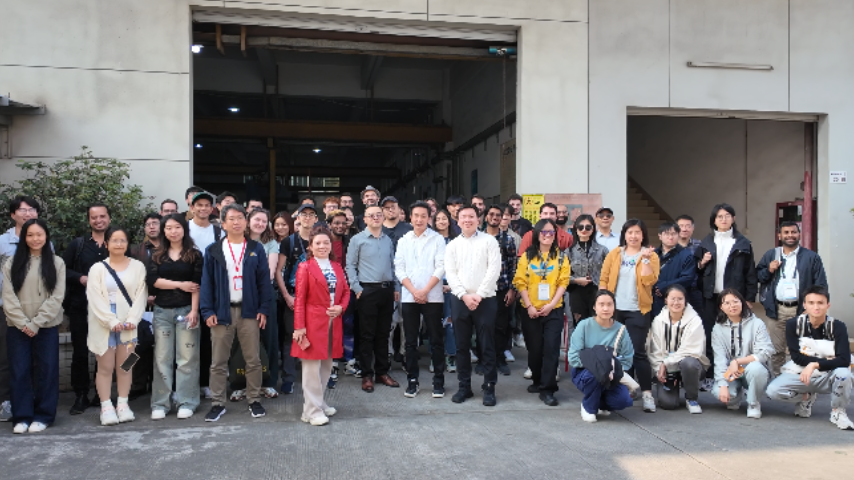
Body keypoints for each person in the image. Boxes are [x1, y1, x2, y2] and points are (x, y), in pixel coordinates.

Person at [201, 203, 273, 422]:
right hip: (222, 312)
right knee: (218, 361)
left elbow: (264, 281)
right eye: (231, 218)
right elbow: (207, 283)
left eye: (240, 218)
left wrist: (264, 309)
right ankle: (217, 403)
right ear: (223, 224)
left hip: (249, 311)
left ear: (246, 222)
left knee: (253, 359)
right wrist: (207, 311)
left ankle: (254, 400)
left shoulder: (255, 248)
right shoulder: (213, 250)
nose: (236, 222)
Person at [2, 219, 65, 433]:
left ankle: (44, 416)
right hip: (17, 327)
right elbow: (8, 297)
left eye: (39, 234)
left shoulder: (56, 263)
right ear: (24, 238)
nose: (35, 239)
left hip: (46, 326)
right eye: (30, 235)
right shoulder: (12, 263)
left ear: (46, 236)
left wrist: (36, 323)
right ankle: (22, 417)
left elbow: (57, 297)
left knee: (47, 370)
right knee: (20, 371)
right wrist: (23, 323)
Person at [766, 286, 853, 430]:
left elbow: (844, 360)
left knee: (844, 374)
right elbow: (796, 357)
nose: (816, 307)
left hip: (828, 375)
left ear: (828, 305)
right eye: (811, 303)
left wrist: (814, 365)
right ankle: (806, 397)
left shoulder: (837, 326)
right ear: (804, 305)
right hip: (801, 374)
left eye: (820, 303)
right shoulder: (793, 324)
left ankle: (838, 412)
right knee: (773, 391)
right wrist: (827, 361)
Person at [86, 227, 148, 426]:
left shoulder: (138, 267)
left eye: (123, 240)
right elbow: (94, 298)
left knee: (127, 365)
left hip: (129, 324)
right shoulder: (97, 269)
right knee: (105, 367)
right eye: (114, 240)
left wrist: (133, 319)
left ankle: (123, 404)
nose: (119, 244)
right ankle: (106, 406)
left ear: (128, 243)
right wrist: (111, 321)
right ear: (106, 244)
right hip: (103, 324)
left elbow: (141, 295)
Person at [599, 218, 660, 412]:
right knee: (615, 352)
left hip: (637, 309)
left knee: (637, 352)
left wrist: (646, 260)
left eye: (637, 232)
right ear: (624, 234)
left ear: (643, 235)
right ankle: (624, 390)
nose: (633, 236)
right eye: (630, 232)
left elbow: (649, 281)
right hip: (615, 310)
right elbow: (604, 278)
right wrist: (603, 303)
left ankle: (647, 394)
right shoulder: (615, 254)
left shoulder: (651, 255)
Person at [146, 214, 203, 420]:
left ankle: (187, 402)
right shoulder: (156, 255)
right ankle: (161, 403)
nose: (173, 231)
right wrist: (180, 285)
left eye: (177, 227)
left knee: (187, 358)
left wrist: (194, 311)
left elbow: (196, 285)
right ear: (164, 230)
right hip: (162, 311)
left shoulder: (194, 255)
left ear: (184, 229)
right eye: (169, 228)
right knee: (162, 358)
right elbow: (153, 281)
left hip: (187, 309)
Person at [291, 228, 350, 426]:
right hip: (312, 322)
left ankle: (318, 402)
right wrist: (299, 327)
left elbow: (346, 291)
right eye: (317, 243)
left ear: (331, 245)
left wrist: (341, 307)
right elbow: (299, 300)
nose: (322, 246)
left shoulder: (337, 266)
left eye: (326, 242)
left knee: (326, 366)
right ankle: (311, 411)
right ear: (310, 246)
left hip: (333, 321)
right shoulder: (305, 267)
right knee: (311, 369)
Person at [445, 205, 501, 406]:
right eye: (463, 217)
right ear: (457, 221)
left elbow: (494, 269)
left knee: (487, 344)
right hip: (460, 300)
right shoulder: (452, 245)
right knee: (462, 345)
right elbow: (450, 273)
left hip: (485, 299)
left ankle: (489, 387)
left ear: (479, 219)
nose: (467, 220)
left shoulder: (489, 241)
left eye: (471, 216)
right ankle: (464, 387)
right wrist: (464, 295)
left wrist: (479, 294)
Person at [696, 203, 757, 389]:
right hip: (710, 297)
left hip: (733, 298)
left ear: (733, 219)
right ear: (714, 220)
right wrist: (701, 263)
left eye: (727, 216)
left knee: (735, 336)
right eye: (719, 216)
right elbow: (696, 272)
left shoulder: (743, 243)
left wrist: (749, 298)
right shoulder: (706, 243)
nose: (723, 219)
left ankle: (737, 376)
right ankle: (711, 376)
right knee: (710, 335)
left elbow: (750, 273)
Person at [756, 221, 828, 376]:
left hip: (802, 310)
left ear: (799, 234)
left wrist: (812, 308)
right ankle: (778, 379)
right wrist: (769, 270)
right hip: (777, 309)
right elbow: (758, 276)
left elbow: (820, 285)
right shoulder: (771, 255)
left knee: (805, 349)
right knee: (776, 350)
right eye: (786, 232)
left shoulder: (811, 257)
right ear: (779, 235)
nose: (790, 235)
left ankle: (801, 380)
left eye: (793, 232)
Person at [513, 219, 570, 406]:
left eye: (551, 232)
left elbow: (563, 282)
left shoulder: (561, 257)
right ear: (537, 234)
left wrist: (552, 304)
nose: (547, 235)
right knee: (535, 349)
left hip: (553, 310)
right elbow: (520, 281)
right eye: (544, 232)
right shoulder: (527, 257)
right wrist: (529, 306)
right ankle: (537, 380)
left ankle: (548, 389)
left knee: (551, 349)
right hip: (530, 310)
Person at [62, 202, 111, 414]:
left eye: (102, 216)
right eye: (94, 217)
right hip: (81, 307)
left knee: (105, 352)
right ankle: (81, 395)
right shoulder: (78, 245)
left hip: (109, 309)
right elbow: (62, 270)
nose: (99, 220)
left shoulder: (117, 242)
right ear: (89, 220)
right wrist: (80, 278)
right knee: (80, 352)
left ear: (109, 218)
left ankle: (102, 394)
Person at [346, 204, 400, 392]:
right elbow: (350, 265)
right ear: (365, 219)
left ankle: (382, 372)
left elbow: (393, 265)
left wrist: (396, 286)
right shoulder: (357, 240)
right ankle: (367, 374)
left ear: (383, 217)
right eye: (371, 215)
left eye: (379, 215)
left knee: (383, 334)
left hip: (387, 291)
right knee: (367, 335)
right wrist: (357, 288)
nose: (376, 218)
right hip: (367, 291)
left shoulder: (388, 240)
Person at [394, 201, 446, 398]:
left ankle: (438, 381)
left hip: (433, 296)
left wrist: (424, 290)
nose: (419, 219)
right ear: (410, 217)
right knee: (410, 341)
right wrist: (414, 291)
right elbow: (399, 268)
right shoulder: (404, 240)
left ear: (429, 218)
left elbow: (441, 267)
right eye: (416, 215)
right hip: (409, 296)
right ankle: (412, 381)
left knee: (436, 339)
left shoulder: (437, 239)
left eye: (423, 216)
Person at [0, 195, 43, 422]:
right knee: (7, 358)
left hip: (37, 311)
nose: (28, 214)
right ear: (12, 214)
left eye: (32, 210)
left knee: (36, 358)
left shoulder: (44, 241)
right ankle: (6, 402)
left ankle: (31, 400)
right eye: (22, 210)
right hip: (7, 309)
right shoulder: (2, 242)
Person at [568, 290, 635, 422]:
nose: (605, 308)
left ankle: (600, 403)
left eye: (609, 304)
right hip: (585, 373)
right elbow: (573, 357)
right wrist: (599, 366)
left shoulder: (621, 329)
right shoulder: (584, 325)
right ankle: (588, 407)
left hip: (611, 375)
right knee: (595, 375)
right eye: (601, 304)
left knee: (624, 400)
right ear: (594, 306)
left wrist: (613, 369)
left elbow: (627, 358)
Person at [276, 203, 318, 395]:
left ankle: (315, 377)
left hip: (316, 298)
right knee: (291, 337)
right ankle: (288, 378)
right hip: (294, 296)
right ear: (298, 218)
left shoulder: (320, 239)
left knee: (315, 336)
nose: (307, 217)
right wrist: (286, 295)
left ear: (316, 219)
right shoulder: (289, 241)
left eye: (311, 214)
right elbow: (278, 271)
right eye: (304, 214)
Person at [711, 288, 773, 419]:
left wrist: (738, 361)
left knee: (756, 369)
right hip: (731, 373)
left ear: (742, 302)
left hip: (751, 370)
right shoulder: (718, 328)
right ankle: (735, 396)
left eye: (735, 301)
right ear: (721, 307)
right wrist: (723, 384)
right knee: (719, 392)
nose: (732, 306)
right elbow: (719, 358)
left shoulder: (757, 323)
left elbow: (765, 352)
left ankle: (753, 403)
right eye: (727, 303)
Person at [647, 285, 709, 413]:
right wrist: (660, 369)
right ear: (666, 300)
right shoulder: (658, 321)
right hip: (667, 369)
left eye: (680, 299)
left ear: (685, 300)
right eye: (673, 299)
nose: (676, 302)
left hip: (690, 366)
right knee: (668, 404)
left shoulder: (694, 320)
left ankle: (691, 398)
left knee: (689, 363)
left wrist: (666, 363)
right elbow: (654, 350)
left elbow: (690, 350)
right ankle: (671, 386)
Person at [188, 191, 222, 399]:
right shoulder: (183, 229)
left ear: (212, 209)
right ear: (191, 207)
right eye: (199, 205)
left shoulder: (219, 232)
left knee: (209, 340)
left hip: (212, 291)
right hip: (187, 289)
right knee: (187, 341)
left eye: (207, 205)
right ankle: (185, 386)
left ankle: (205, 383)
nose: (203, 208)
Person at [243, 209, 280, 399]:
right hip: (241, 296)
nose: (260, 224)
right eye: (257, 219)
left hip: (264, 294)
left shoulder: (271, 243)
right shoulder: (238, 240)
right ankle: (240, 382)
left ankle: (269, 382)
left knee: (269, 338)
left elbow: (270, 272)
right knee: (241, 340)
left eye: (264, 221)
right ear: (248, 220)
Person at [128, 212, 162, 400]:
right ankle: (136, 384)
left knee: (161, 347)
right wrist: (144, 297)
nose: (151, 227)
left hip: (164, 304)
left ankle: (159, 384)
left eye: (155, 223)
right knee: (137, 346)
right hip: (139, 306)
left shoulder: (170, 248)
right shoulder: (135, 251)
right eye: (148, 224)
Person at [483, 205, 517, 375]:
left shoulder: (508, 240)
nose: (495, 217)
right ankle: (484, 360)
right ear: (485, 217)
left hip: (502, 289)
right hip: (482, 290)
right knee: (483, 326)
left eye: (498, 215)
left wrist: (512, 289)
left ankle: (500, 358)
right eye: (491, 214)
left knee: (501, 326)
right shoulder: (478, 238)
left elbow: (513, 266)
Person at [326, 210, 356, 382]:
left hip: (347, 290)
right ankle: (332, 363)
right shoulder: (324, 242)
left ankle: (349, 361)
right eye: (336, 223)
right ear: (329, 224)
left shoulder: (350, 242)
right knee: (330, 328)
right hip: (327, 291)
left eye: (343, 223)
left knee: (348, 325)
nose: (340, 226)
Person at [568, 214, 609, 325]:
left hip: (598, 292)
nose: (584, 230)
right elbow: (561, 276)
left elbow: (610, 273)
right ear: (575, 229)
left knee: (599, 325)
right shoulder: (569, 252)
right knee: (580, 326)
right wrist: (576, 280)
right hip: (576, 293)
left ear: (593, 229)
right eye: (580, 227)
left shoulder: (602, 250)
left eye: (588, 227)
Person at [433, 209, 458, 373]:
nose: (441, 221)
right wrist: (436, 284)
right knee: (434, 324)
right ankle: (435, 358)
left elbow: (461, 265)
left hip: (453, 286)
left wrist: (453, 285)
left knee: (450, 323)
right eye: (438, 219)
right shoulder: (431, 241)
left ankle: (450, 356)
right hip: (433, 285)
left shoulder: (457, 241)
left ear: (449, 221)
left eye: (444, 218)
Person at [652, 222, 696, 318]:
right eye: (667, 234)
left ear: (678, 235)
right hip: (654, 300)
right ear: (660, 236)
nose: (670, 237)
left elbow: (688, 278)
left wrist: (664, 287)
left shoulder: (686, 255)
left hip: (676, 301)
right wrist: (655, 287)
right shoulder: (653, 254)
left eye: (674, 234)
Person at [675, 214, 704, 317]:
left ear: (693, 228)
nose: (684, 229)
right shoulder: (669, 246)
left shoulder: (700, 245)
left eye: (688, 226)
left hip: (695, 289)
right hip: (675, 290)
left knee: (698, 318)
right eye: (681, 226)